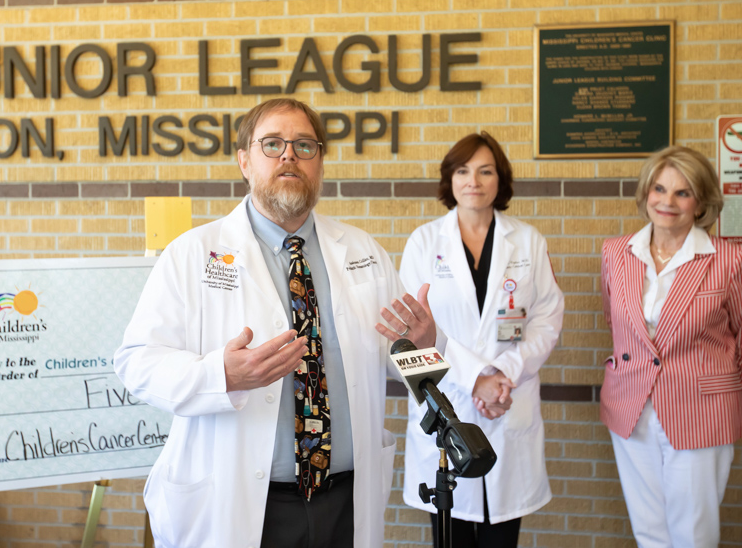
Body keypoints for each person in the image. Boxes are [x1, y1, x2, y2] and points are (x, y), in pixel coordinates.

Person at [114, 98, 435, 548]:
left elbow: (406, 367)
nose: (289, 155)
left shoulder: (365, 255)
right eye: (273, 144)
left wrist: (423, 348)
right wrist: (220, 375)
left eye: (305, 145)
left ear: (320, 162)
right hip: (239, 504)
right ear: (244, 161)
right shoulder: (191, 255)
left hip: (345, 500)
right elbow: (137, 364)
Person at [378, 132, 564, 547]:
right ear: (450, 179)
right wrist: (475, 377)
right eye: (463, 171)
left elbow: (548, 318)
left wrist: (503, 375)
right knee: (451, 529)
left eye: (485, 171)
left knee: (502, 537)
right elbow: (411, 333)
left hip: (506, 399)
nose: (473, 181)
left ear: (501, 179)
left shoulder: (528, 241)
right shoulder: (424, 243)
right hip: (450, 406)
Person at [600, 145, 742, 548]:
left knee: (693, 533)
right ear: (646, 193)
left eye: (682, 193)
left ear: (701, 203)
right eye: (659, 189)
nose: (667, 202)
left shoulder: (727, 260)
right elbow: (619, 325)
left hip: (700, 409)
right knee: (649, 530)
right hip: (631, 407)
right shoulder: (616, 253)